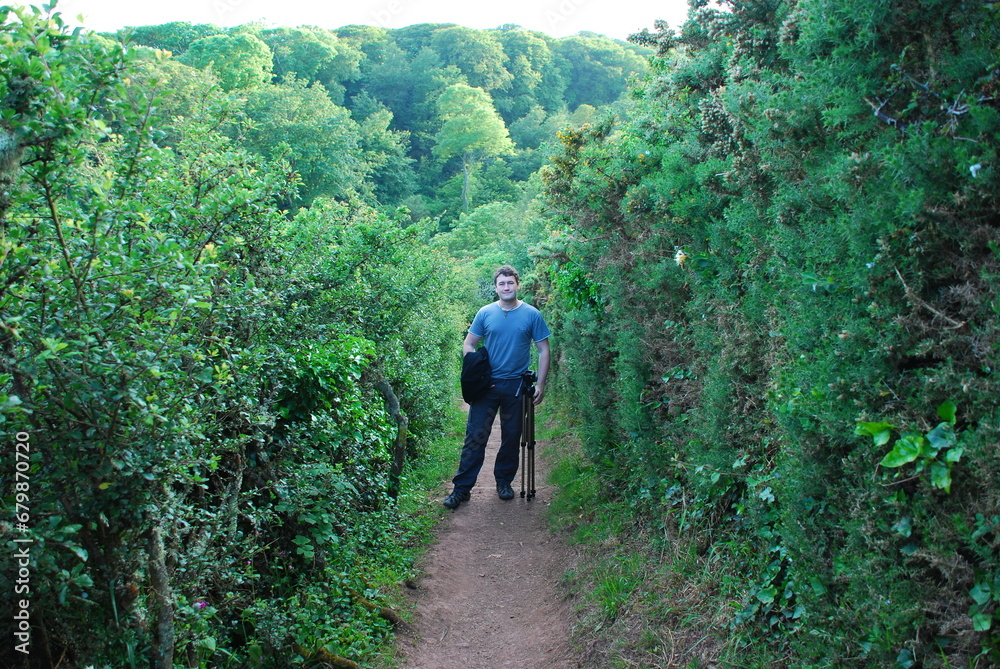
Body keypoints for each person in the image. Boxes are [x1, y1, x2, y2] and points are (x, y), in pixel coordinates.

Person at [443, 265, 551, 509]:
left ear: (517, 284)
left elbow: (544, 349)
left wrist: (541, 385)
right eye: (501, 284)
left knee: (511, 438)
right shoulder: (485, 313)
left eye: (510, 283)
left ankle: (504, 482)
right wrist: (476, 370)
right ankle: (461, 489)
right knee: (476, 437)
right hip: (487, 388)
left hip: (516, 388)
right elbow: (468, 345)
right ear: (496, 287)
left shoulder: (532, 314)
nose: (506, 287)